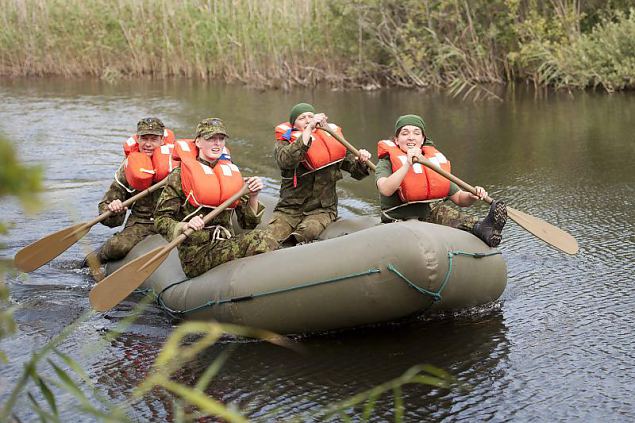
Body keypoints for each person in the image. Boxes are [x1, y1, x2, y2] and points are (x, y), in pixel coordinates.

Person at [154, 118, 278, 278]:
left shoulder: (230, 173)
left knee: (267, 235)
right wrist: (184, 226)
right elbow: (160, 219)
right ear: (198, 142)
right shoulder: (180, 176)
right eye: (211, 139)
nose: (217, 143)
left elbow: (248, 223)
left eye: (221, 139)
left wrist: (253, 197)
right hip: (196, 254)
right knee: (262, 239)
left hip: (225, 242)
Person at [375, 114, 507, 247]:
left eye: (416, 133)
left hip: (426, 217)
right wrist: (407, 164)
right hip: (397, 220)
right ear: (397, 140)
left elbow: (460, 198)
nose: (411, 137)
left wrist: (472, 195)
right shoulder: (386, 162)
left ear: (422, 140)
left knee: (442, 210)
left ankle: (482, 229)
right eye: (405, 133)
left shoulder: (432, 162)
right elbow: (385, 189)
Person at [267, 102, 372, 245]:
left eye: (311, 116)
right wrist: (308, 130)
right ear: (294, 125)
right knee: (270, 237)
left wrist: (362, 162)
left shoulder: (332, 141)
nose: (307, 120)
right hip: (289, 209)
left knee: (306, 232)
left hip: (322, 210)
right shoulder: (284, 144)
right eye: (302, 118)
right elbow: (286, 161)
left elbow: (357, 172)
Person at [85, 117, 174, 267]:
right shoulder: (127, 169)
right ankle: (93, 261)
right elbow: (106, 209)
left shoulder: (178, 165)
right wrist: (113, 209)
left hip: (172, 221)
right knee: (117, 247)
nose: (148, 144)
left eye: (153, 139)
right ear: (137, 139)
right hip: (142, 223)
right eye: (144, 138)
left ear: (162, 140)